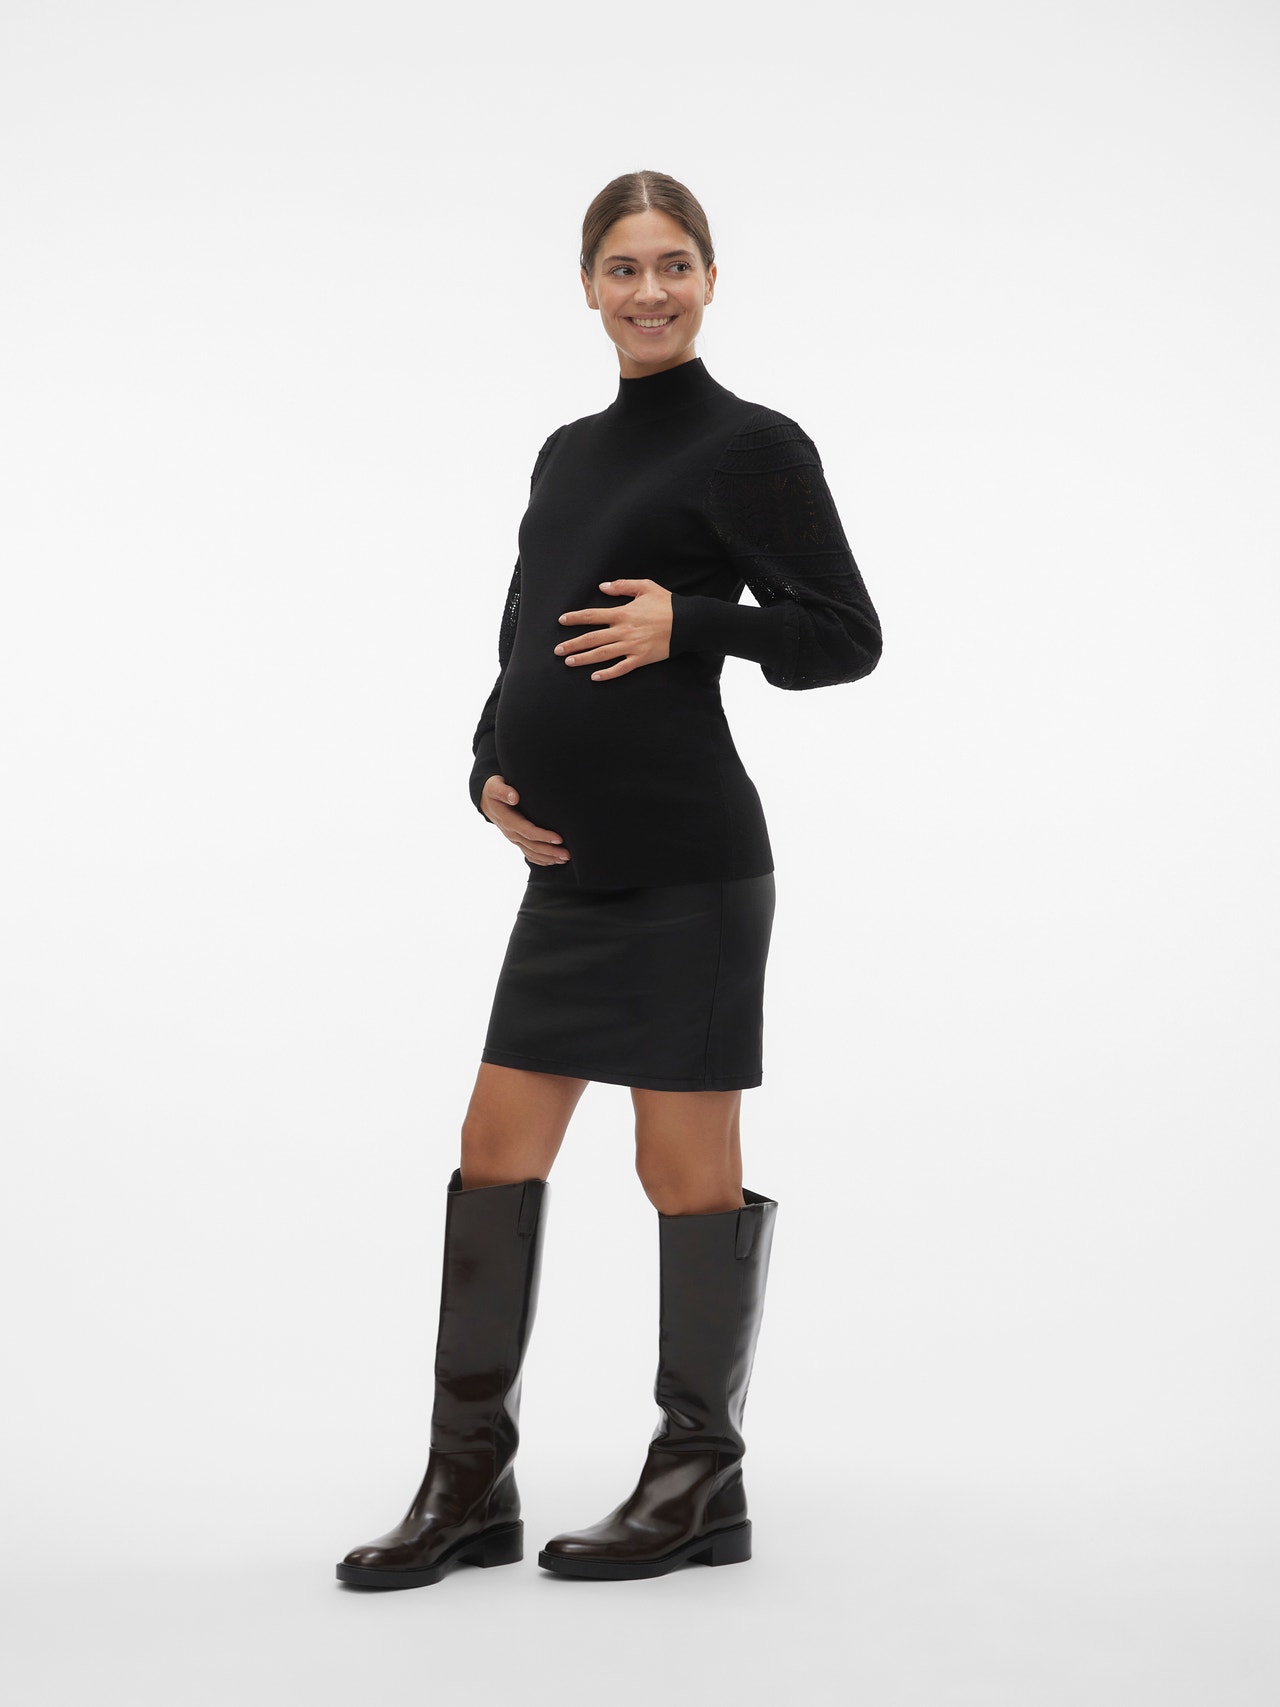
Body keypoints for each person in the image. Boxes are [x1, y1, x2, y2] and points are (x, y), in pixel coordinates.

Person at [336, 170, 883, 1589]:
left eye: (674, 265)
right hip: (571, 882)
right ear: (587, 286)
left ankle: (698, 1478)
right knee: (494, 1154)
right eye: (624, 268)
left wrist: (692, 622)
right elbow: (520, 631)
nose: (651, 291)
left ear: (711, 279)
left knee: (680, 1173)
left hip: (692, 870)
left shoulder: (753, 445)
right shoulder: (568, 451)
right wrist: (487, 767)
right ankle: (468, 1484)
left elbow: (845, 634)